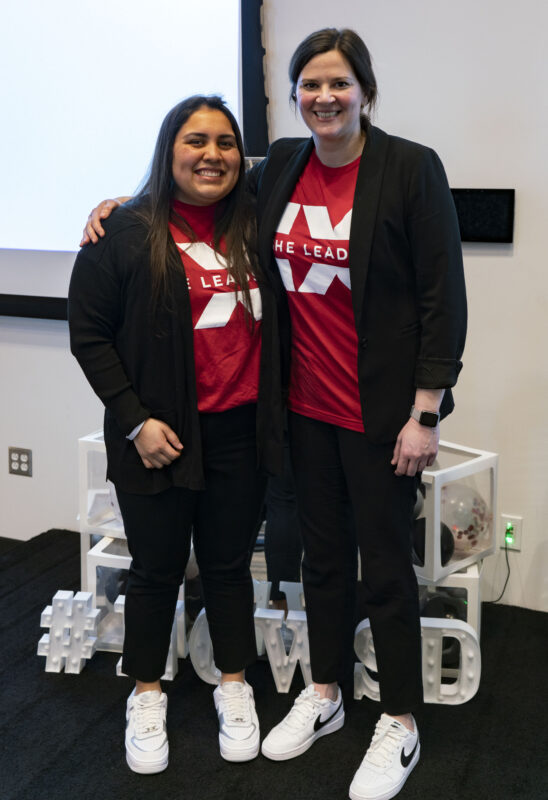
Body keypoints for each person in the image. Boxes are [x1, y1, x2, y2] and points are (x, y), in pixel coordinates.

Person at [81, 27, 467, 800]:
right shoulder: (284, 164)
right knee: (320, 561)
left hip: (382, 417)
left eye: (339, 83)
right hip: (302, 412)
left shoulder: (409, 168)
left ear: (365, 91)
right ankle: (324, 692)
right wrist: (122, 204)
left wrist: (425, 413)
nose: (324, 97)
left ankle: (400, 720)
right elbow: (202, 179)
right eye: (310, 84)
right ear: (293, 96)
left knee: (386, 569)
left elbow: (442, 296)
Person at [69, 95, 283, 775]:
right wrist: (136, 421)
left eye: (225, 142)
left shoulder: (260, 225)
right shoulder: (125, 232)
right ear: (169, 150)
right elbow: (90, 337)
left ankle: (234, 684)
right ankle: (146, 693)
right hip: (156, 438)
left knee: (228, 568)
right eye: (195, 141)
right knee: (156, 569)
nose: (212, 155)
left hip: (241, 435)